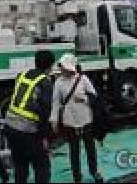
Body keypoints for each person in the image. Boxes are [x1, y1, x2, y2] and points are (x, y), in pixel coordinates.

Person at [50, 54, 103, 184]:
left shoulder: (83, 79)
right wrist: (54, 120)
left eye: (64, 67)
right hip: (69, 122)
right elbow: (55, 103)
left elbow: (95, 98)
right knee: (74, 151)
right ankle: (77, 177)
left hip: (86, 120)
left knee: (90, 148)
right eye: (61, 67)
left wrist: (84, 98)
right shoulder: (58, 82)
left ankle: (94, 171)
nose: (62, 70)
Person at [5, 50, 55, 184]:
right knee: (42, 167)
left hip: (11, 127)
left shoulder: (21, 75)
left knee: (20, 168)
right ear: (50, 66)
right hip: (29, 131)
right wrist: (45, 137)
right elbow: (45, 112)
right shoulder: (45, 83)